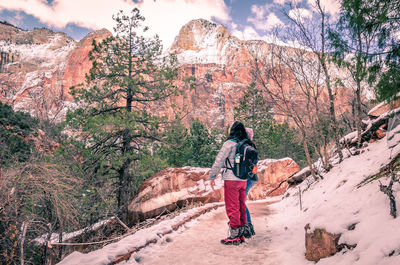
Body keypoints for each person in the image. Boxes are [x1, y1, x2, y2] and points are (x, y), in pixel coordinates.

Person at [209, 121, 248, 245]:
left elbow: (219, 160)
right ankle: (241, 233)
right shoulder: (246, 144)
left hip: (231, 179)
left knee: (232, 206)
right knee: (241, 205)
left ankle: (234, 235)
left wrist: (212, 175)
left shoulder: (229, 144)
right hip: (243, 179)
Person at [244, 127, 257, 238]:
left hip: (248, 177)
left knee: (241, 202)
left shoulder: (248, 147)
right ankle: (248, 225)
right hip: (251, 177)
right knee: (241, 201)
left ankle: (248, 226)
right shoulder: (251, 146)